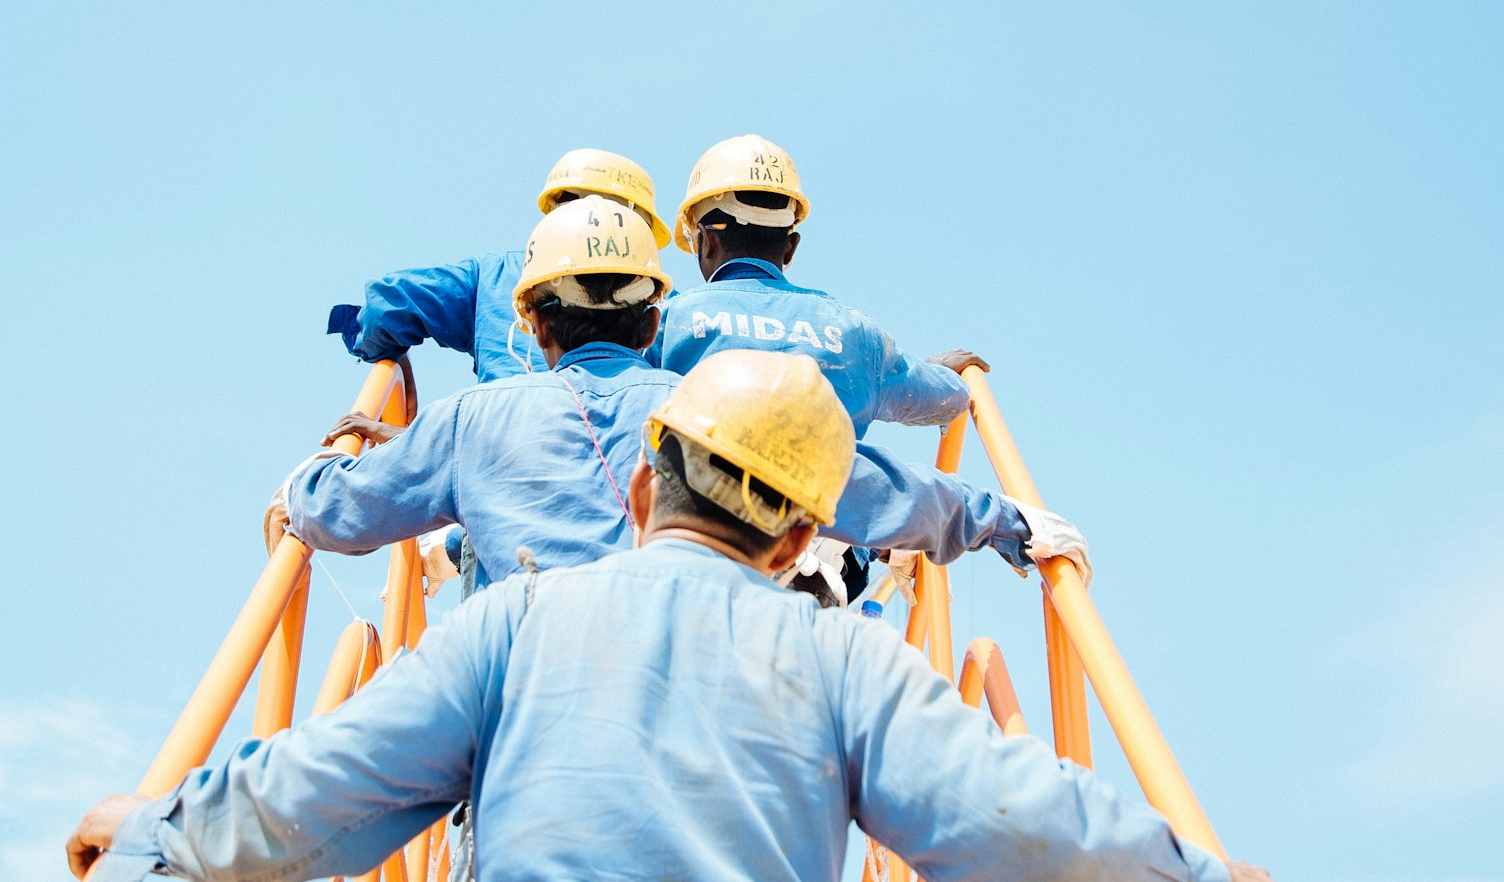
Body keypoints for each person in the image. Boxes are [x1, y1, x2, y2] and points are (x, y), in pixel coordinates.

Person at [68, 350, 1294, 882]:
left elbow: (322, 791)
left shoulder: (510, 625)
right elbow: (1009, 817)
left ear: (646, 486)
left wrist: (144, 836)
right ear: (798, 537)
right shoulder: (847, 658)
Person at [265, 197, 1090, 592]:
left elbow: (338, 514)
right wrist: (1006, 521)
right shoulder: (721, 413)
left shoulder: (467, 422)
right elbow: (871, 485)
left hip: (519, 736)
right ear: (654, 309)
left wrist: (317, 473)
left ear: (534, 322)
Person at [656, 134, 981, 439]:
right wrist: (941, 373)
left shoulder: (668, 323)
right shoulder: (855, 332)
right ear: (790, 246)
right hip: (827, 499)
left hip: (697, 497)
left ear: (707, 241)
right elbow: (945, 398)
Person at [325, 148, 671, 383]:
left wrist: (388, 355)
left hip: (496, 459)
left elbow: (387, 305)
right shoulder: (661, 303)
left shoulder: (490, 279)